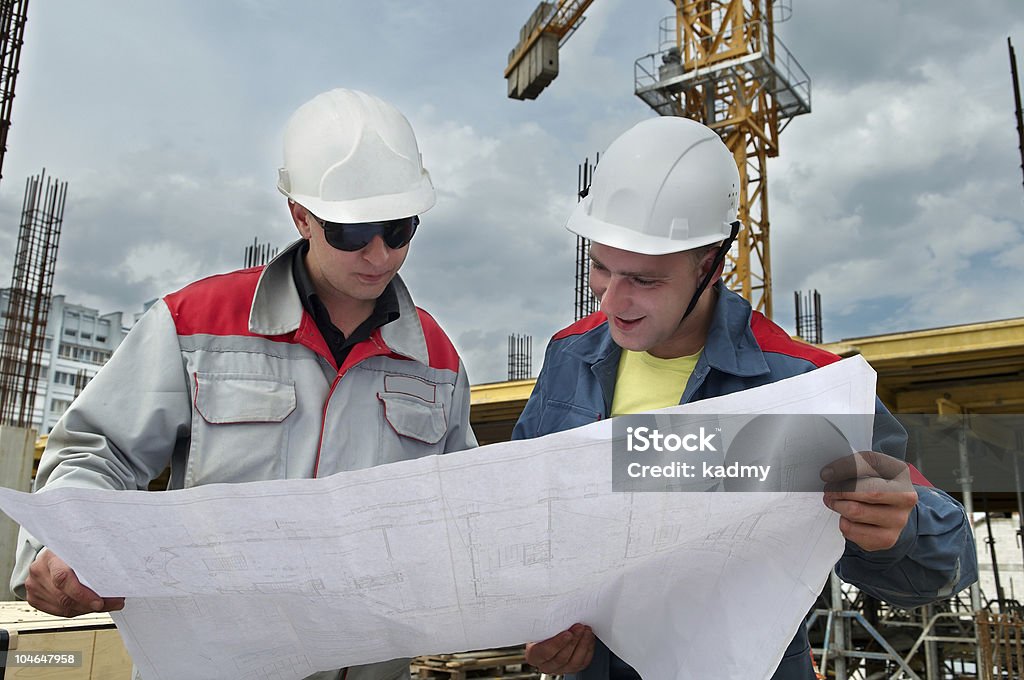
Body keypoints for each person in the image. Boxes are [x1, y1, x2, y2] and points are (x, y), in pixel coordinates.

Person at [11, 88, 477, 680]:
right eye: (353, 232)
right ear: (300, 215)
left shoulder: (436, 360)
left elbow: (465, 513)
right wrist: (69, 543)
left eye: (399, 227)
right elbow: (98, 451)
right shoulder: (194, 323)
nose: (380, 254)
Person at [512, 116, 977, 679]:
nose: (613, 300)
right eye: (601, 268)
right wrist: (535, 625)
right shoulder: (570, 356)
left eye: (645, 280)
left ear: (712, 265)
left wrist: (898, 528)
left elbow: (948, 564)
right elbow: (523, 517)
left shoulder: (800, 384)